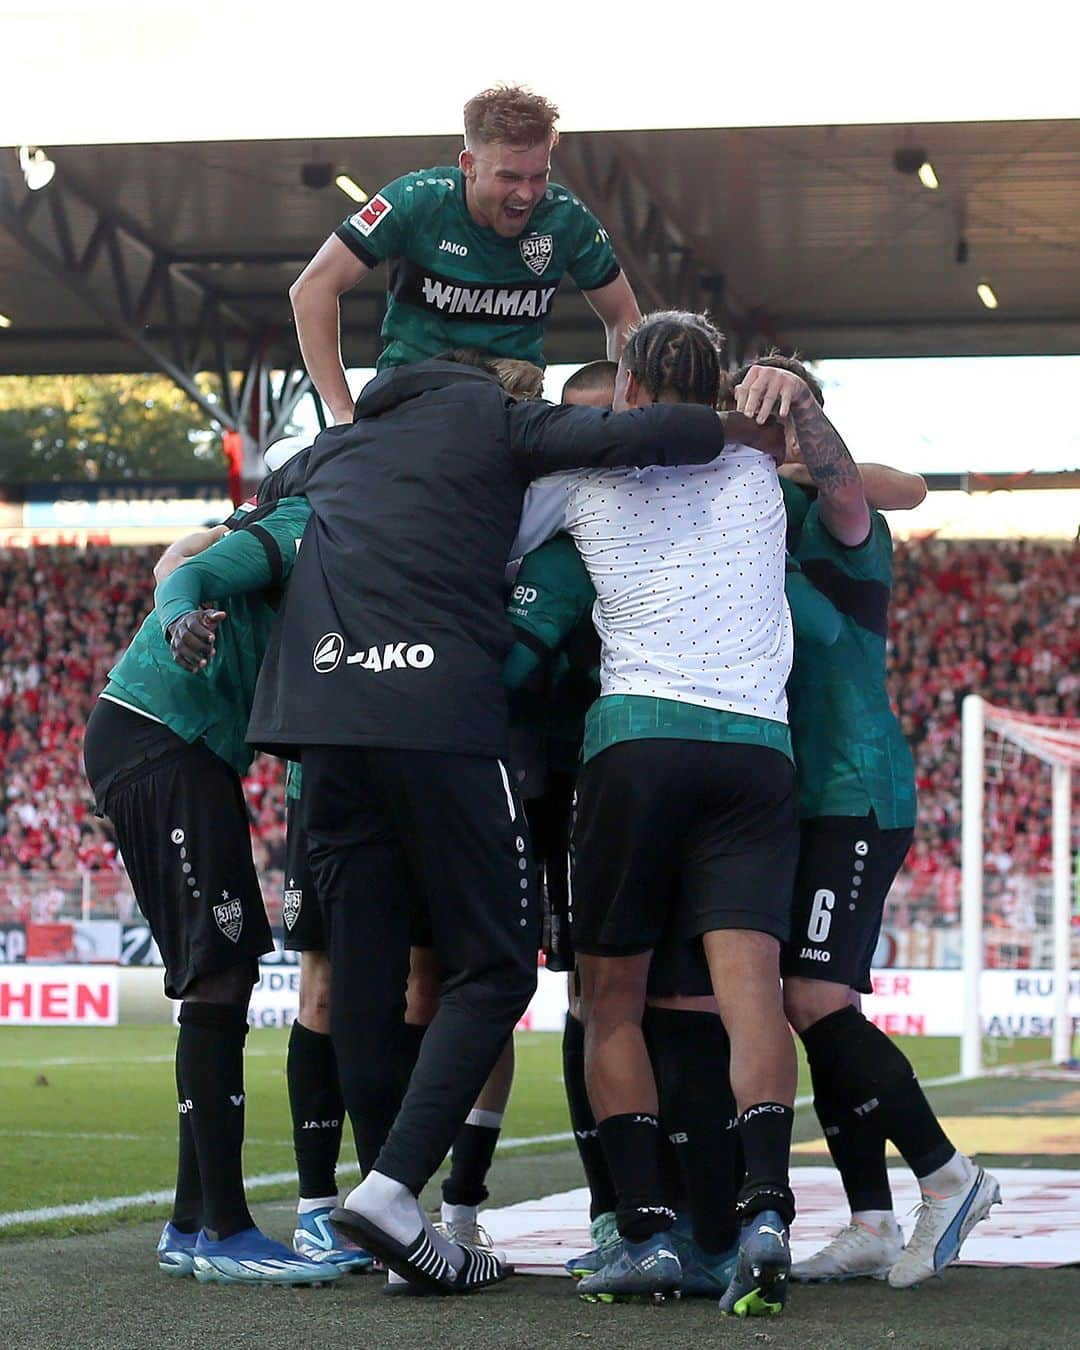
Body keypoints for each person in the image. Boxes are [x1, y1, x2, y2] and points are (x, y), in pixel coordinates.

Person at [245, 349, 776, 1295]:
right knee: (492, 966)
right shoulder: (496, 422)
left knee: (362, 982)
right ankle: (396, 1190)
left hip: (320, 725)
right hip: (440, 715)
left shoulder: (342, 445)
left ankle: (379, 1202)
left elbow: (254, 515)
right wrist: (747, 425)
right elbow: (659, 432)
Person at [508, 311, 833, 1315]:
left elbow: (491, 540)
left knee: (611, 1001)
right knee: (753, 994)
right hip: (755, 749)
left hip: (637, 743)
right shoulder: (764, 472)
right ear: (724, 389)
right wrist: (787, 400)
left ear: (631, 392)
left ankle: (646, 1233)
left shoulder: (585, 474)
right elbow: (853, 478)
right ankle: (768, 1213)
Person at [730, 356, 1001, 1289]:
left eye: (772, 409)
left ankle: (949, 1176)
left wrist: (799, 416)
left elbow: (873, 486)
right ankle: (872, 1220)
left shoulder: (840, 516)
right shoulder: (739, 509)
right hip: (792, 794)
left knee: (812, 998)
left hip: (853, 784)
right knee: (813, 1009)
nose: (753, 423)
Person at [82, 493, 337, 1288]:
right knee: (218, 972)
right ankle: (223, 1227)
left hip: (176, 745)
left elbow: (178, 558)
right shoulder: (302, 526)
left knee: (220, 971)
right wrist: (177, 619)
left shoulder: (291, 527)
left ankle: (192, 1223)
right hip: (166, 740)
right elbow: (182, 576)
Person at [289, 84, 641, 424]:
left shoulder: (565, 217)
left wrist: (628, 409)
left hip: (513, 408)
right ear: (468, 165)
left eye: (539, 177)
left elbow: (624, 313)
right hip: (411, 407)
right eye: (509, 177)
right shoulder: (416, 201)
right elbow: (311, 289)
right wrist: (341, 412)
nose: (526, 194)